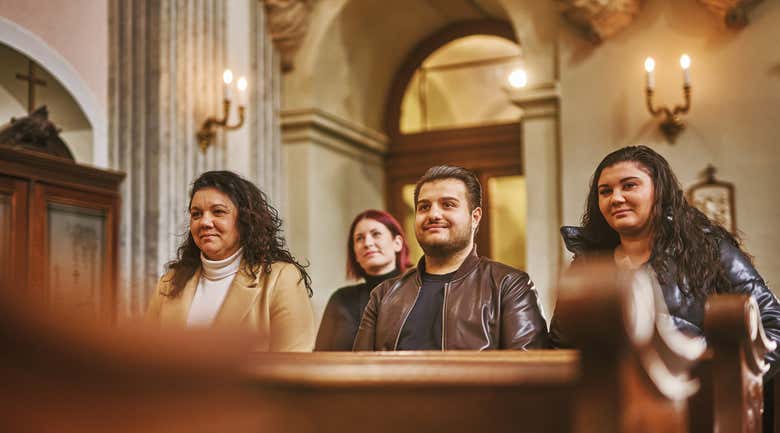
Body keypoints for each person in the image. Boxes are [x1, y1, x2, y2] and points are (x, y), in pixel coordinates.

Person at [549, 145, 780, 374]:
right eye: (605, 191)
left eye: (629, 185)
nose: (616, 198)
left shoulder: (708, 250)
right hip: (610, 404)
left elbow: (773, 326)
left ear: (658, 191)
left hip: (702, 401)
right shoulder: (587, 264)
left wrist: (721, 382)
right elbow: (561, 345)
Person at [353, 165, 549, 351]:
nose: (434, 214)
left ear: (475, 217)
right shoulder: (383, 295)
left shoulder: (509, 286)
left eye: (448, 204)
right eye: (424, 207)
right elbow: (358, 374)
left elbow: (529, 374)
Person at [146, 170, 315, 351]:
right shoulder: (169, 282)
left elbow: (295, 363)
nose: (204, 222)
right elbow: (145, 354)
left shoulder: (281, 278)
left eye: (218, 212)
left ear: (245, 220)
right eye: (196, 214)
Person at [315, 210, 412, 350]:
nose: (367, 243)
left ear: (397, 243)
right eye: (359, 238)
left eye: (376, 234)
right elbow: (320, 355)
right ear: (354, 253)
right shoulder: (341, 299)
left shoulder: (418, 293)